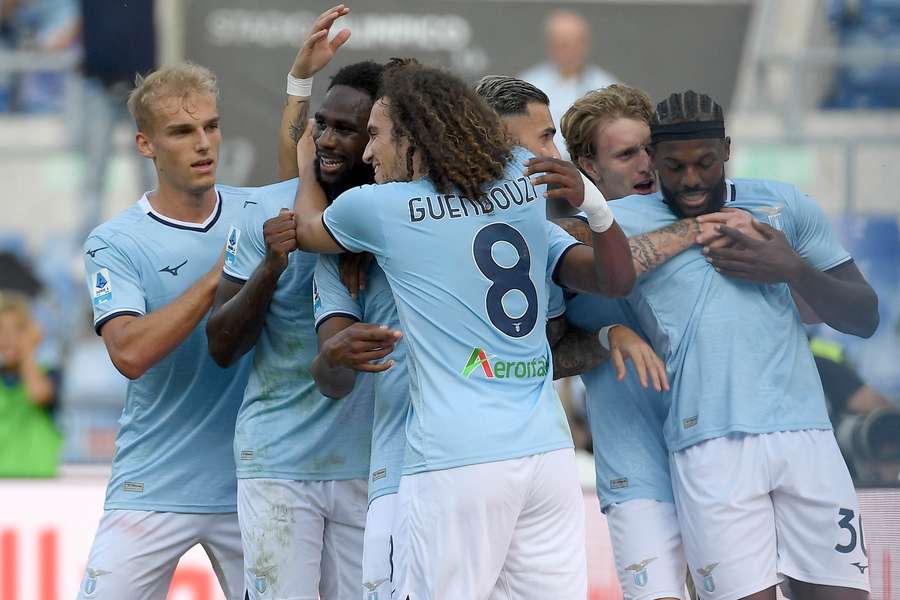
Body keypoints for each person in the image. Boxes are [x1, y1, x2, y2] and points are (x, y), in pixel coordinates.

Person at [292, 59, 634, 599]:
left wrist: (305, 161)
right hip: (546, 454)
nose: (364, 152)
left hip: (455, 457)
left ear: (413, 139)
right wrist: (593, 205)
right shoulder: (523, 178)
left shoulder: (379, 208)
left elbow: (307, 230)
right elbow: (615, 278)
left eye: (376, 136)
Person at [610, 90, 878, 600]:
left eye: (705, 163)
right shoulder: (626, 224)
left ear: (727, 149)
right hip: (710, 444)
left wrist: (791, 269)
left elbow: (864, 315)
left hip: (807, 435)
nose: (690, 179)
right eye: (674, 166)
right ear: (653, 162)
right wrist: (611, 330)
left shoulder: (783, 203)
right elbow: (573, 299)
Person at [206, 7, 379, 599]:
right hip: (277, 465)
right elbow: (221, 346)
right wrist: (269, 270)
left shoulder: (401, 220)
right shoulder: (262, 214)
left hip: (373, 465)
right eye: (321, 126)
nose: (328, 140)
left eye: (346, 130)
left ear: (379, 139)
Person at [77, 62, 253, 600]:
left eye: (211, 126)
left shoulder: (256, 211)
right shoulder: (115, 242)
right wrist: (220, 275)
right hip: (153, 479)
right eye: (181, 131)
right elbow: (129, 353)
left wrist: (297, 80)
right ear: (145, 145)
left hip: (255, 483)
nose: (204, 144)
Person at [519, 10, 617, 159]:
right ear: (550, 46)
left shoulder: (608, 88)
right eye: (562, 44)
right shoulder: (527, 85)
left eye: (575, 43)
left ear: (586, 44)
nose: (569, 51)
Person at [0, 290, 61, 477]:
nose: (8, 338)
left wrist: (27, 350)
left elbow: (38, 395)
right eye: (1, 330)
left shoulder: (49, 372)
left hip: (38, 484)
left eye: (16, 330)